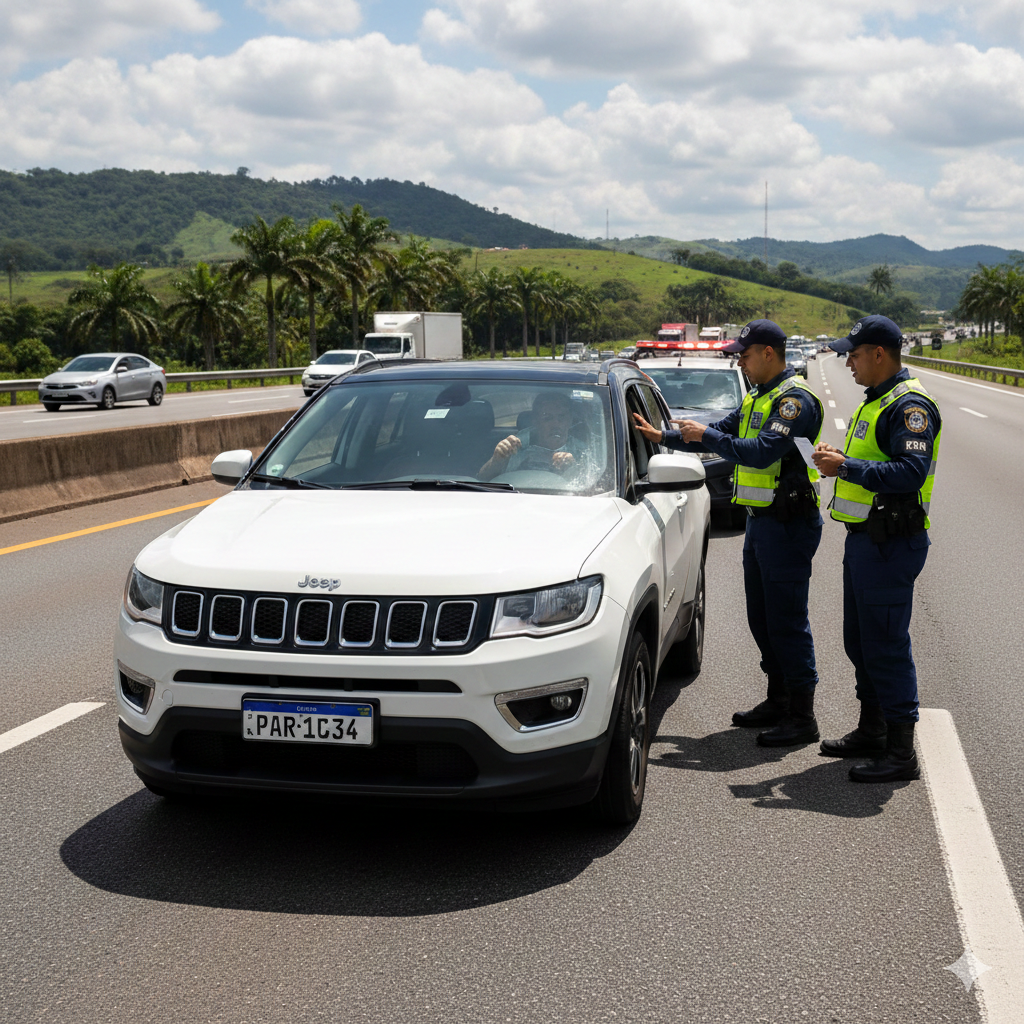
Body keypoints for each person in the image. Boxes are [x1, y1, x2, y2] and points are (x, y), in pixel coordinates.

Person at [633, 319, 825, 747]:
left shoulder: (795, 402)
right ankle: (777, 700)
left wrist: (705, 436)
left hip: (789, 525)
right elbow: (724, 429)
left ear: (768, 354)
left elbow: (761, 452)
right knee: (762, 619)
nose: (741, 360)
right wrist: (663, 435)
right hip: (762, 522)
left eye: (746, 353)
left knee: (787, 622)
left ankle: (802, 715)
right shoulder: (760, 396)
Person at [813, 315, 941, 783]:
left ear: (879, 354)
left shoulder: (909, 406)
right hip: (866, 540)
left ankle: (901, 752)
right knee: (861, 642)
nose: (849, 362)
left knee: (886, 646)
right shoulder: (877, 400)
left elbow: (909, 472)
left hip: (890, 542)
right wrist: (843, 464)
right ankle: (872, 729)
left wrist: (844, 468)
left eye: (854, 353)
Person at [479, 390, 579, 480]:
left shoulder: (582, 450)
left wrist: (572, 469)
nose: (555, 424)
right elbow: (482, 480)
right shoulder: (513, 446)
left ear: (570, 420)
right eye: (547, 418)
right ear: (535, 421)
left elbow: (589, 491)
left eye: (561, 418)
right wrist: (496, 461)